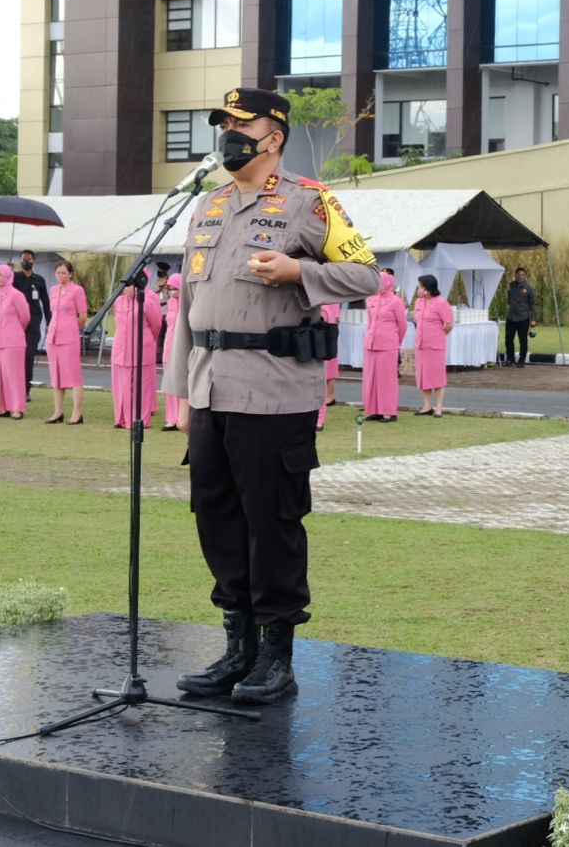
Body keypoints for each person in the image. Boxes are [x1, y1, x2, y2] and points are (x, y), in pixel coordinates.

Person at [165, 86, 380, 705]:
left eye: (240, 123)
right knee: (217, 517)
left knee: (273, 521)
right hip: (210, 388)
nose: (228, 133)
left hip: (273, 390)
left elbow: (368, 274)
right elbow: (188, 308)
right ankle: (238, 649)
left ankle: (276, 657)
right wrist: (180, 393)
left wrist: (300, 274)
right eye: (222, 123)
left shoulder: (311, 203)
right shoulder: (206, 207)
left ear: (274, 136)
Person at [109, 281, 161, 429]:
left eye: (130, 285)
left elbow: (156, 325)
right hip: (120, 348)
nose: (127, 289)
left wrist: (149, 341)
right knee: (121, 384)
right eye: (125, 286)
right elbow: (117, 321)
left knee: (141, 386)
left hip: (141, 349)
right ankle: (122, 418)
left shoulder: (147, 302)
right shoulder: (118, 301)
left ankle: (141, 420)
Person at [45, 259, 88, 424]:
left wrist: (72, 328)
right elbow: (52, 312)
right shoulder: (53, 290)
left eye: (63, 272)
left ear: (70, 274)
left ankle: (77, 412)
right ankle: (58, 411)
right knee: (56, 375)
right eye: (58, 273)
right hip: (53, 336)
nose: (60, 276)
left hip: (69, 336)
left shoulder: (77, 291)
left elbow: (83, 315)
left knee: (73, 375)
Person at [362, 271, 406, 422]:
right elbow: (369, 322)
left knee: (387, 379)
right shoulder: (370, 299)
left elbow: (402, 326)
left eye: (380, 282)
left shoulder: (396, 302)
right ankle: (374, 410)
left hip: (388, 344)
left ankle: (388, 411)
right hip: (371, 344)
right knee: (371, 378)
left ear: (388, 284)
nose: (377, 286)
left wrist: (395, 342)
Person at [0, 263, 32, 419]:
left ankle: (17, 407)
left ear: (8, 276)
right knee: (1, 374)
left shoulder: (16, 295)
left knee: (14, 374)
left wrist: (15, 330)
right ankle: (3, 406)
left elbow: (25, 317)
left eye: (0, 275)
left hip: (13, 340)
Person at [413, 274, 455, 417]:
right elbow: (416, 320)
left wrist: (440, 334)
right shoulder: (419, 302)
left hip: (435, 345)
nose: (418, 290)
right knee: (423, 375)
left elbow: (449, 323)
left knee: (437, 376)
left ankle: (439, 406)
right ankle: (426, 405)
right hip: (421, 344)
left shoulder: (441, 303)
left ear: (427, 288)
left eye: (420, 287)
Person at [13, 250, 52, 391]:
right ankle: (15, 387)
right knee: (16, 357)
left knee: (28, 355)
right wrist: (7, 272)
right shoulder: (14, 278)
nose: (26, 262)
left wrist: (49, 322)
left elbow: (46, 302)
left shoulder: (39, 280)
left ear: (33, 261)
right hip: (16, 323)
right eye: (23, 259)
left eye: (28, 259)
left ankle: (26, 388)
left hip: (33, 323)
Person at [162, 273, 185, 432]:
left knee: (182, 381)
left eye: (176, 288)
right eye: (170, 289)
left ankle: (183, 416)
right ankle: (171, 418)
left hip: (182, 345)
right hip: (169, 344)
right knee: (169, 382)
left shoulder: (187, 303)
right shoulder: (170, 303)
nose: (173, 292)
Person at [316, 301, 342, 431]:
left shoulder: (325, 309)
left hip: (319, 352)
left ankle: (319, 420)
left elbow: (331, 329)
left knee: (320, 384)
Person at [504, 266, 537, 367]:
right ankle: (510, 360)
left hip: (523, 318)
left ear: (525, 276)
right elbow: (509, 299)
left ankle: (521, 360)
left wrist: (533, 319)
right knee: (509, 339)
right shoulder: (511, 285)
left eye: (522, 274)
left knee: (522, 340)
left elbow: (533, 305)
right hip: (511, 317)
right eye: (518, 274)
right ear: (515, 275)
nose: (520, 276)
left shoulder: (529, 288)